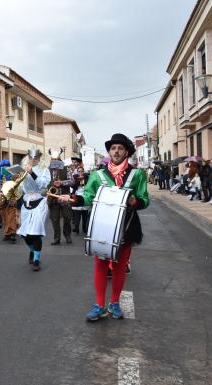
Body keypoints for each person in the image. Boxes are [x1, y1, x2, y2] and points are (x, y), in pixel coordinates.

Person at [61, 133, 149, 321]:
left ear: (126, 152)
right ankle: (99, 305)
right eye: (113, 148)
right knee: (100, 264)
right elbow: (88, 195)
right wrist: (76, 198)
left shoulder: (137, 175)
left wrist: (136, 201)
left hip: (128, 226)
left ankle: (114, 303)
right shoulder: (97, 175)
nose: (116, 151)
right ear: (109, 152)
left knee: (119, 267)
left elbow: (145, 199)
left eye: (120, 148)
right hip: (102, 226)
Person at [16, 149, 51, 271]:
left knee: (35, 233)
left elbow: (42, 185)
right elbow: (21, 187)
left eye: (36, 158)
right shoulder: (23, 169)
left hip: (39, 202)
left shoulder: (44, 170)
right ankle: (32, 251)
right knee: (26, 235)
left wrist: (32, 173)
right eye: (31, 158)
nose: (33, 160)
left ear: (39, 158)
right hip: (26, 202)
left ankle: (36, 260)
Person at [48, 160, 73, 245]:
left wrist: (61, 183)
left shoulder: (67, 169)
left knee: (67, 217)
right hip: (53, 197)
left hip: (64, 197)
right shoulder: (48, 170)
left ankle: (67, 235)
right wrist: (51, 184)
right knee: (54, 219)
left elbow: (72, 181)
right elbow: (44, 182)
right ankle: (57, 238)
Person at [0, 159, 18, 242]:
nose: (5, 168)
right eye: (3, 166)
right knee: (4, 216)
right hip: (2, 197)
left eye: (7, 166)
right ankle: (7, 233)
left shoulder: (13, 175)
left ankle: (13, 233)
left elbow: (17, 185)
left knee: (12, 215)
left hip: (11, 196)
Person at [71, 165, 90, 235]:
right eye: (79, 171)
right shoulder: (74, 177)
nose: (80, 173)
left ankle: (84, 228)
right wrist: (78, 181)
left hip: (85, 196)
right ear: (77, 172)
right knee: (77, 214)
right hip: (77, 195)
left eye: (82, 171)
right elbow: (72, 185)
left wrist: (84, 180)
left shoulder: (87, 177)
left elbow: (89, 186)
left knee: (85, 215)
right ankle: (76, 229)